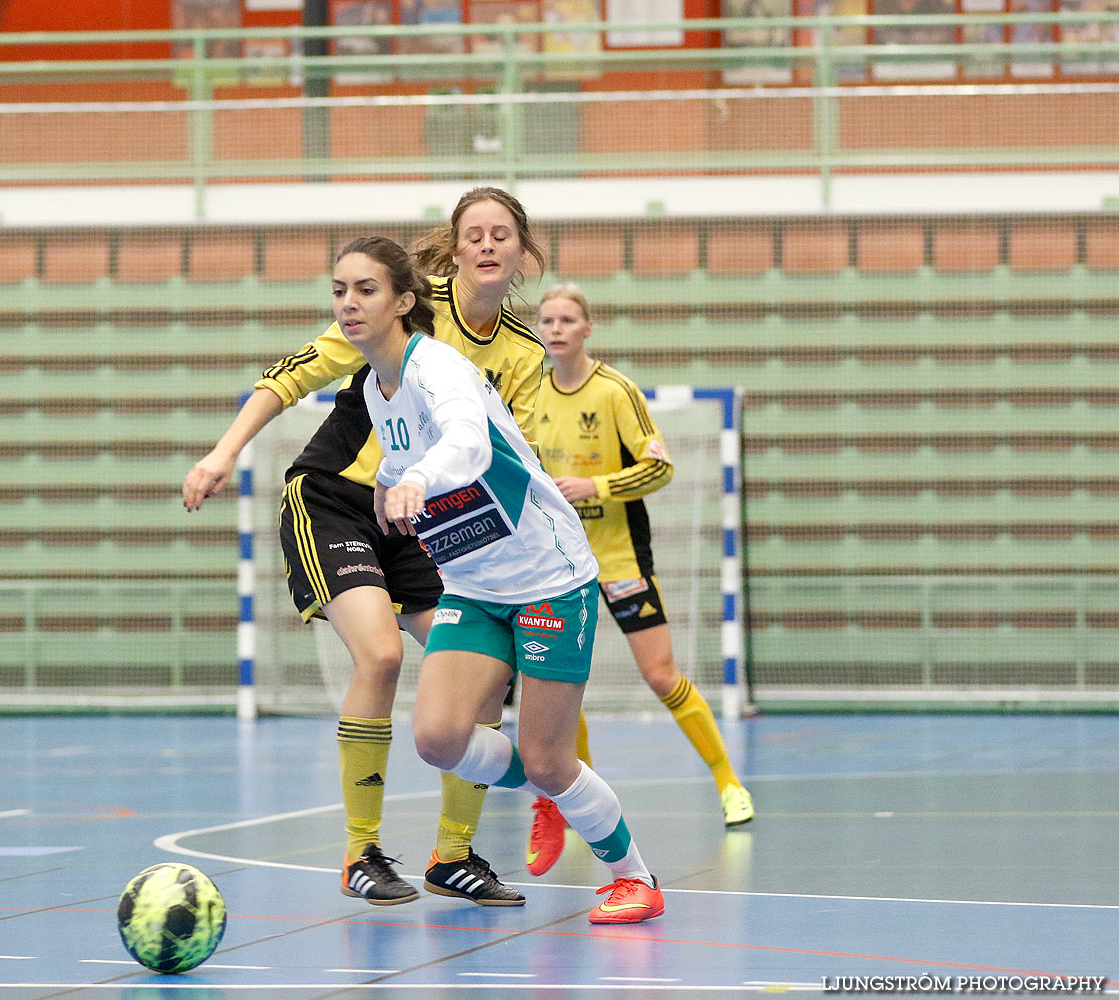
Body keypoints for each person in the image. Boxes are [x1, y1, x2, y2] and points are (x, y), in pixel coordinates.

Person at [181, 188, 548, 906]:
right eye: (472, 234)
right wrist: (222, 454)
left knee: (483, 671)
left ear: (522, 252)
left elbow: (506, 456)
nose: (486, 246)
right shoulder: (401, 304)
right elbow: (292, 376)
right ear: (454, 246)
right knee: (379, 654)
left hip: (424, 518)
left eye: (501, 235)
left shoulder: (523, 353)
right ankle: (360, 853)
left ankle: (453, 856)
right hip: (338, 500)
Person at [337, 235, 664, 925]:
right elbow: (404, 456)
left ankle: (634, 875)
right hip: (474, 587)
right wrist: (390, 483)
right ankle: (562, 781)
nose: (348, 303)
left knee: (549, 762)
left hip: (549, 576)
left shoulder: (440, 369)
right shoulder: (374, 387)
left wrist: (419, 478)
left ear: (402, 302)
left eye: (365, 289)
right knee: (439, 740)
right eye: (340, 290)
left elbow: (467, 442)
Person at [523, 282, 754, 877]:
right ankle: (578, 805)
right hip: (558, 562)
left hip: (620, 557)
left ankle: (729, 783)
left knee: (660, 674)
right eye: (546, 319)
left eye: (567, 319)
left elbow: (659, 466)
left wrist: (594, 487)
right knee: (560, 681)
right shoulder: (526, 394)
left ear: (587, 328)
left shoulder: (615, 391)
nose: (555, 329)